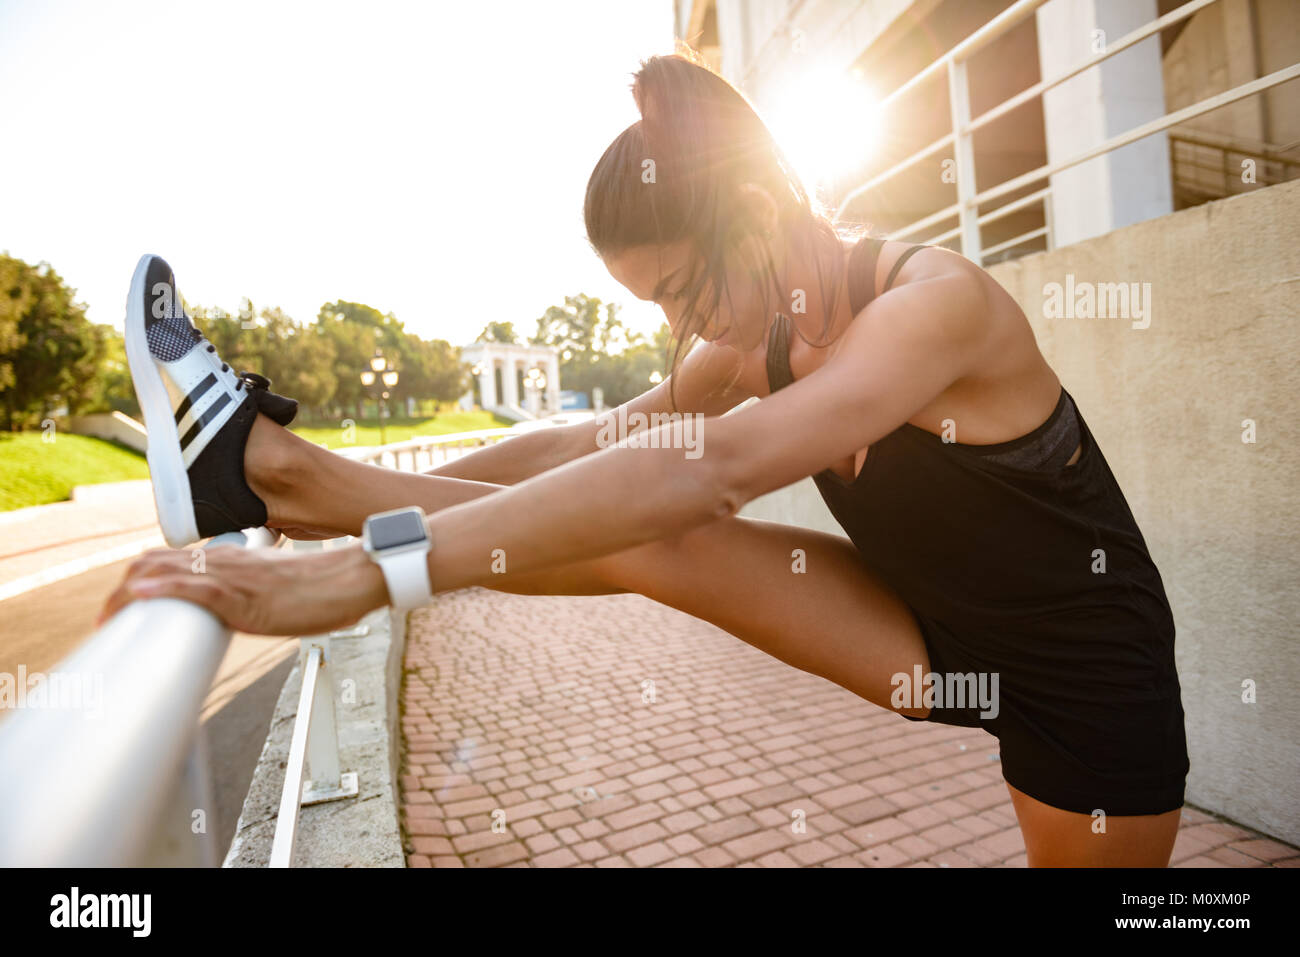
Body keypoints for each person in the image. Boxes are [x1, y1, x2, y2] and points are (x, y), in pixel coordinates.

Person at [102, 50, 1188, 867]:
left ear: (756, 213)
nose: (681, 323)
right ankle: (282, 476)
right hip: (922, 632)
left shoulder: (936, 309)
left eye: (676, 289)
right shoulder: (755, 340)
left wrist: (356, 580)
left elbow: (707, 466)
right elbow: (590, 445)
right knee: (651, 538)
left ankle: (293, 487)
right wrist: (345, 514)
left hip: (1083, 685)